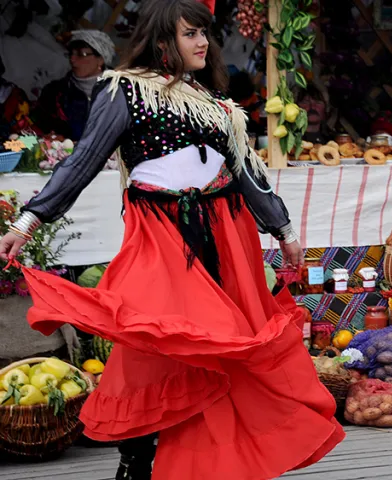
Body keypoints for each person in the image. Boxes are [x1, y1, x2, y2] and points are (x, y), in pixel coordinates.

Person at [0, 1, 344, 478]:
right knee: (154, 352)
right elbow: (81, 162)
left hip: (220, 239)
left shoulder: (216, 103)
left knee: (219, 354)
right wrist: (28, 221)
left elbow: (248, 174)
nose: (202, 42)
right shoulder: (126, 90)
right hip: (162, 240)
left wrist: (283, 230)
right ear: (163, 41)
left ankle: (218, 462)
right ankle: (136, 465)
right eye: (190, 34)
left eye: (204, 33)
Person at [34, 30, 115, 141]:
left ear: (100, 60)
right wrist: (47, 139)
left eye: (82, 54)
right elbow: (32, 131)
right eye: (71, 53)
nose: (72, 59)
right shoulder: (55, 92)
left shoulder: (118, 96)